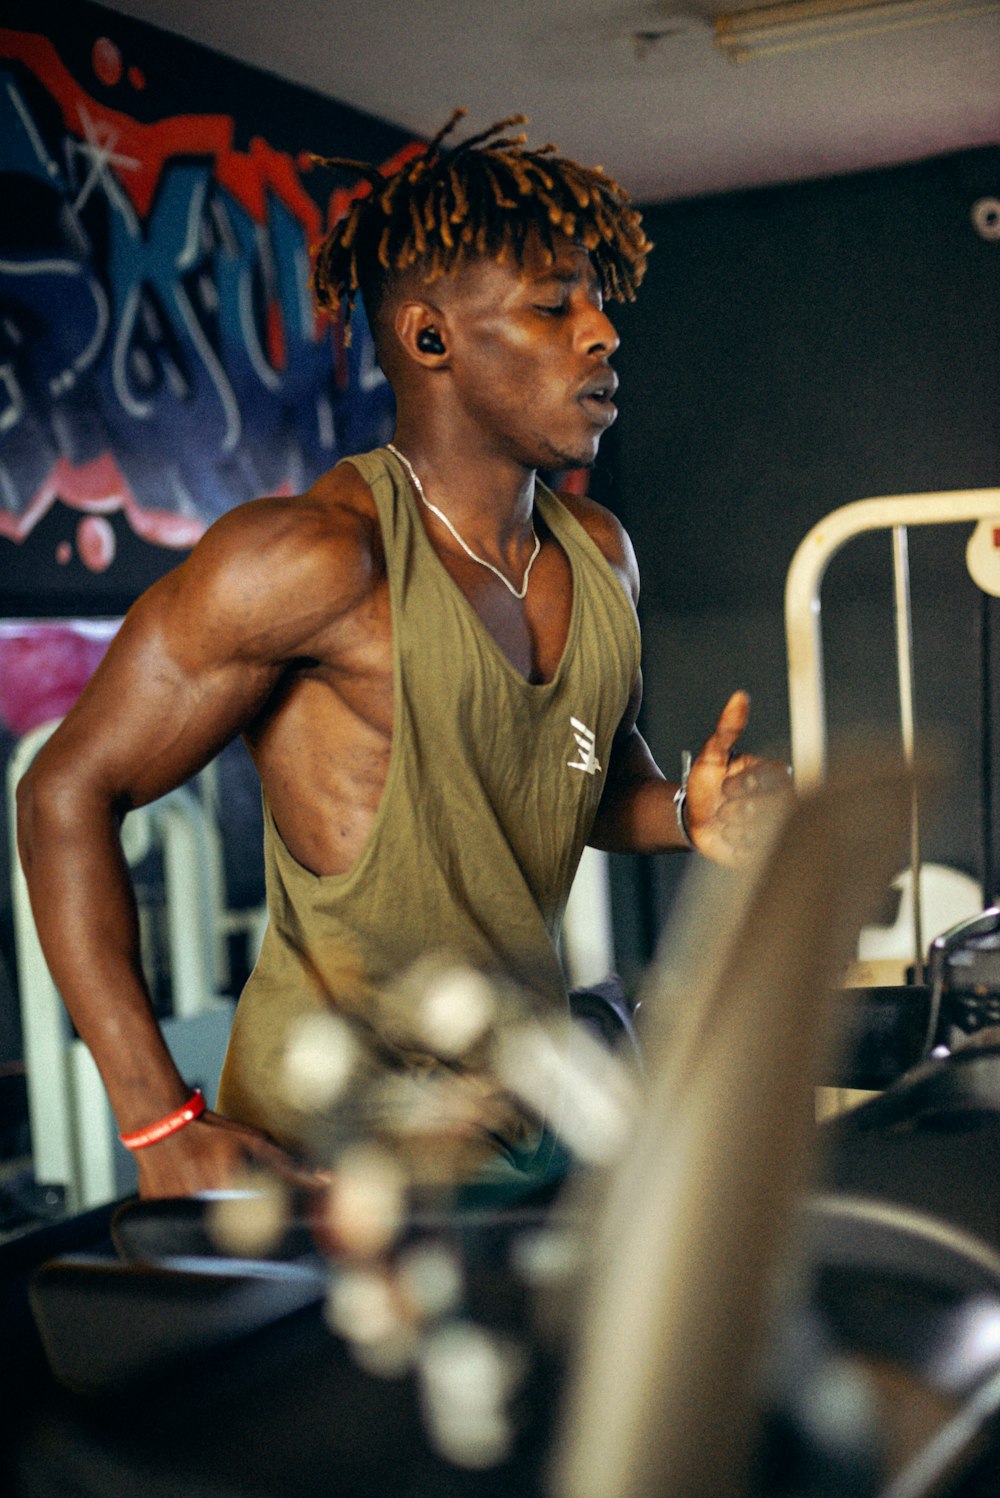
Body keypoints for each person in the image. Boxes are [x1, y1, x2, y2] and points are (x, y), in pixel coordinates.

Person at [16, 111, 785, 1200]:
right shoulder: (315, 560)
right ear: (430, 339)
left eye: (600, 305)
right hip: (329, 1158)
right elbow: (63, 792)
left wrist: (686, 815)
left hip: (520, 1114)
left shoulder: (599, 556)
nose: (602, 334)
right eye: (552, 307)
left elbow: (584, 781)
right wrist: (158, 1122)